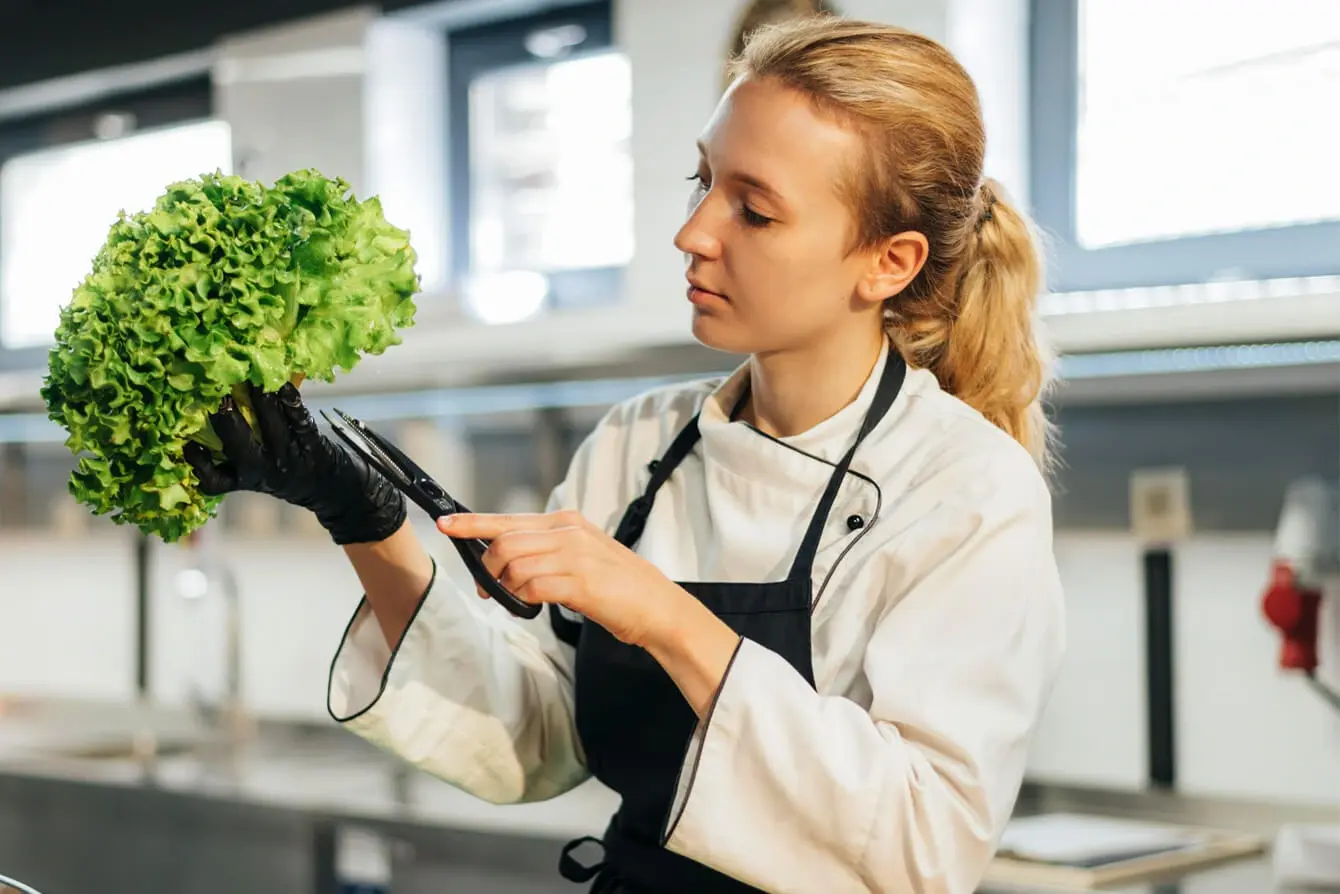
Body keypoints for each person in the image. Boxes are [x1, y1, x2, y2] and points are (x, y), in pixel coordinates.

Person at [186, 15, 1065, 894]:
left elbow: (923, 844)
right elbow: (529, 739)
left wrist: (665, 615)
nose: (694, 233)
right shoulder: (640, 444)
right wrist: (364, 517)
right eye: (703, 181)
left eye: (754, 211)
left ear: (888, 261)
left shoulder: (967, 490)